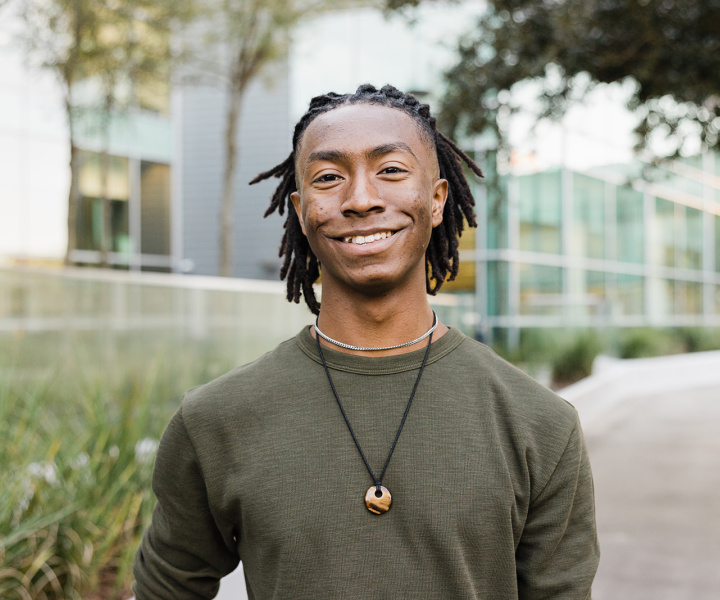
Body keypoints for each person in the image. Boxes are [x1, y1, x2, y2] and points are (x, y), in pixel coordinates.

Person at [132, 84, 599, 599]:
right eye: (329, 177)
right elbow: (166, 590)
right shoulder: (217, 419)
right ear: (301, 208)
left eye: (391, 170)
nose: (360, 199)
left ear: (438, 199)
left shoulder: (540, 424)